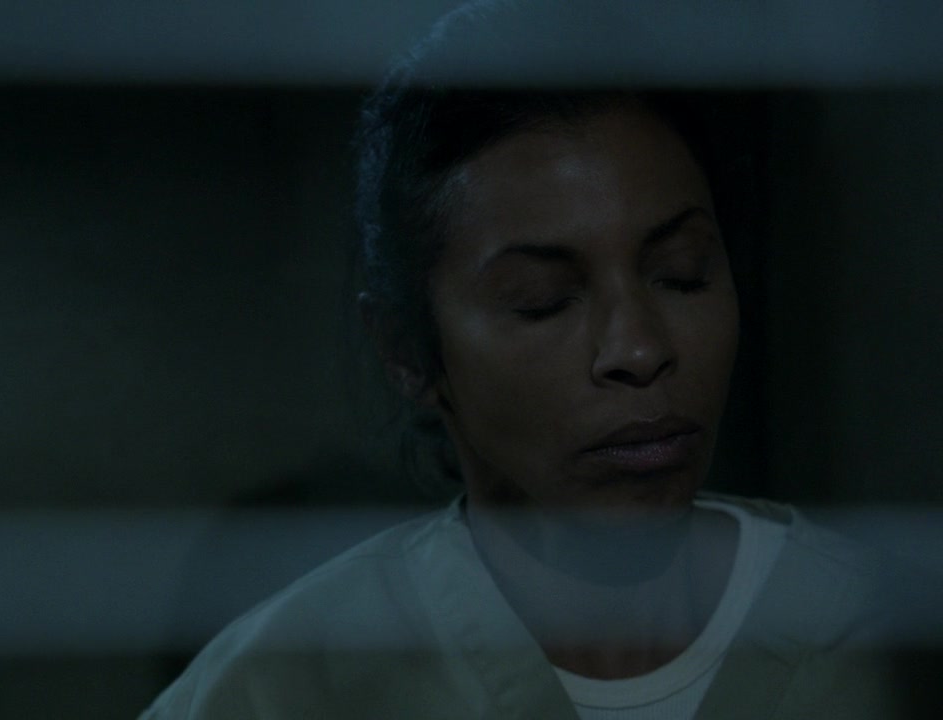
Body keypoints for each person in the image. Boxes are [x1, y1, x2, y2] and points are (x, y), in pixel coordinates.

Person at [141, 3, 904, 718]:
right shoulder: (290, 683)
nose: (639, 349)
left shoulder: (871, 631)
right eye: (544, 301)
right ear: (406, 350)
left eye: (681, 275)